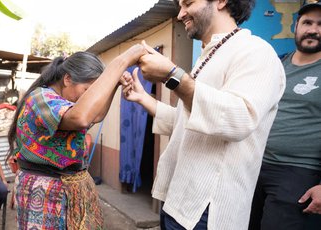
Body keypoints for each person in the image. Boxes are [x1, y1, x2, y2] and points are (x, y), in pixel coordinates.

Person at [121, 0, 286, 229]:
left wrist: (172, 75)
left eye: (188, 3)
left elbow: (240, 119)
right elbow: (186, 123)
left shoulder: (256, 52)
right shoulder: (206, 58)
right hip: (177, 201)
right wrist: (143, 97)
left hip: (208, 211)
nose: (180, 14)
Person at [7, 48, 146, 229]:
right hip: (44, 192)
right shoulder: (42, 98)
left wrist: (114, 86)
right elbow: (81, 118)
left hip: (66, 187)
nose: (87, 98)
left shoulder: (67, 104)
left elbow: (94, 115)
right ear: (67, 79)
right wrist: (121, 62)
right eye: (87, 90)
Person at [249, 2, 321, 229]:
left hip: (299, 172)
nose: (313, 29)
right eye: (307, 22)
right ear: (295, 26)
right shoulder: (276, 64)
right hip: (254, 165)